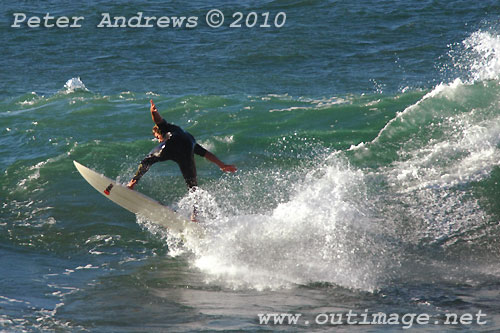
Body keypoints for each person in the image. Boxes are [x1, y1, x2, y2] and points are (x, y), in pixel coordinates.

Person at [127, 99, 237, 220]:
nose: (158, 140)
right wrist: (221, 165)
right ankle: (195, 216)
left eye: (157, 137)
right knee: (193, 186)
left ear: (159, 133)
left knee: (147, 161)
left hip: (171, 144)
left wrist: (153, 112)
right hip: (187, 149)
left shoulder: (166, 129)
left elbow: (158, 121)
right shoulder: (188, 137)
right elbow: (206, 153)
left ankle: (132, 183)